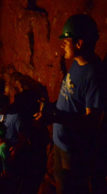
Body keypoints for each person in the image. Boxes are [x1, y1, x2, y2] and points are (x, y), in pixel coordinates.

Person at [45, 14, 103, 194]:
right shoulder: (77, 64)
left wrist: (57, 116)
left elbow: (92, 121)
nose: (62, 44)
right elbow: (71, 98)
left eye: (66, 40)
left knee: (68, 188)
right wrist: (52, 109)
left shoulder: (93, 75)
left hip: (73, 151)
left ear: (79, 44)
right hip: (61, 143)